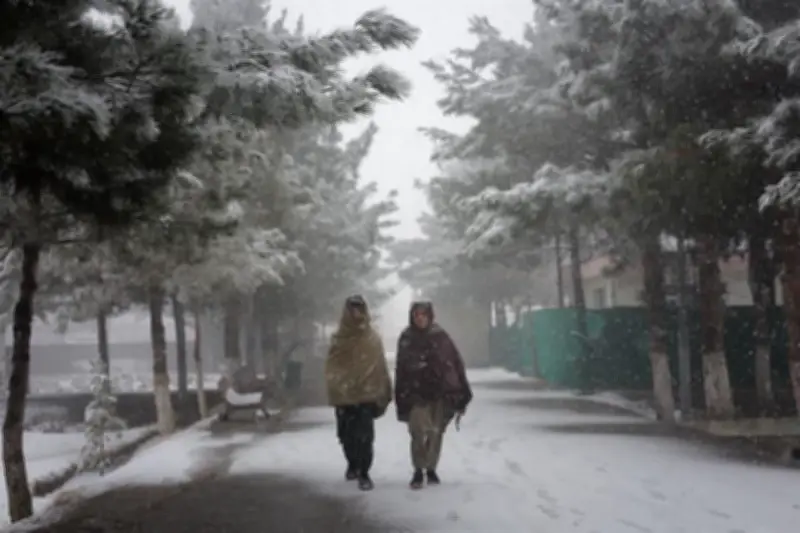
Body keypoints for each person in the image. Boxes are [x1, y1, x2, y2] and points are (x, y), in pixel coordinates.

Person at [394, 301, 473, 490]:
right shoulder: (407, 338)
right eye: (417, 315)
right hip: (415, 393)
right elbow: (401, 369)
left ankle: (430, 468)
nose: (420, 318)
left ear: (430, 316)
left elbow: (454, 363)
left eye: (424, 315)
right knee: (418, 431)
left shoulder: (440, 337)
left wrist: (461, 390)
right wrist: (401, 394)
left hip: (439, 393)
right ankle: (418, 469)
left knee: (436, 432)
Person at [325, 295, 392, 491]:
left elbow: (379, 365)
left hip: (366, 395)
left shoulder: (372, 338)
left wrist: (384, 387)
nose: (356, 314)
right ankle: (352, 463)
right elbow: (332, 366)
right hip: (344, 396)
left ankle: (364, 472)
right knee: (346, 435)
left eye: (359, 309)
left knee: (365, 437)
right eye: (352, 310)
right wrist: (339, 385)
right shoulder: (339, 339)